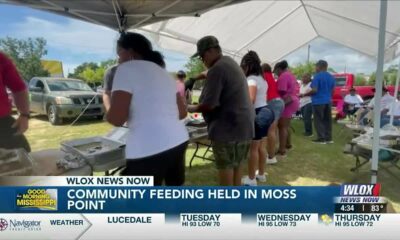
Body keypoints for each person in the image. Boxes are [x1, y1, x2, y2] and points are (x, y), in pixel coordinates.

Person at [106, 32, 189, 186]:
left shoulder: (125, 69)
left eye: (119, 54)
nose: (118, 59)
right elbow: (183, 112)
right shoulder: (164, 73)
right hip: (178, 141)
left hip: (148, 149)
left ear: (130, 52)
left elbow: (116, 119)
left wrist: (106, 103)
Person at [187, 36, 254, 186]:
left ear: (211, 51)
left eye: (202, 56)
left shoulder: (217, 69)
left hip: (228, 127)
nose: (202, 60)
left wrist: (189, 107)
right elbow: (207, 75)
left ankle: (226, 206)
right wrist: (193, 79)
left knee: (226, 167)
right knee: (237, 164)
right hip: (243, 125)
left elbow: (209, 104)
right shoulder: (229, 62)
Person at [240, 51, 274, 186]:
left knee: (253, 149)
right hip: (266, 111)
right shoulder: (262, 79)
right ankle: (261, 175)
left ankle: (251, 179)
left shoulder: (251, 80)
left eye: (242, 66)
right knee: (261, 147)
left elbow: (251, 99)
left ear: (247, 65)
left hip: (257, 113)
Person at [0, 51, 31, 152]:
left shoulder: (1, 58)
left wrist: (24, 115)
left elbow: (18, 87)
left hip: (2, 124)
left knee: (24, 159)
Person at [273, 60, 299, 157]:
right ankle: (288, 144)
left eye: (275, 71)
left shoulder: (283, 76)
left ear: (279, 69)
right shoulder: (290, 74)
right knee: (286, 126)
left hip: (287, 101)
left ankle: (282, 150)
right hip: (293, 100)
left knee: (282, 127)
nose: (275, 74)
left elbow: (281, 90)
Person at [307, 60, 336, 144]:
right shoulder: (331, 77)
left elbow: (314, 90)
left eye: (316, 66)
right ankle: (329, 138)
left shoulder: (317, 76)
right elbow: (333, 90)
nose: (315, 68)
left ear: (319, 67)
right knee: (327, 120)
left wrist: (305, 94)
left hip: (318, 101)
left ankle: (321, 138)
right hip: (328, 101)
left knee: (318, 120)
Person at [262, 63, 284, 164]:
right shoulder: (270, 76)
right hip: (278, 102)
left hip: (273, 102)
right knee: (273, 130)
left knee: (270, 131)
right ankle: (270, 154)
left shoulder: (264, 76)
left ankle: (271, 157)